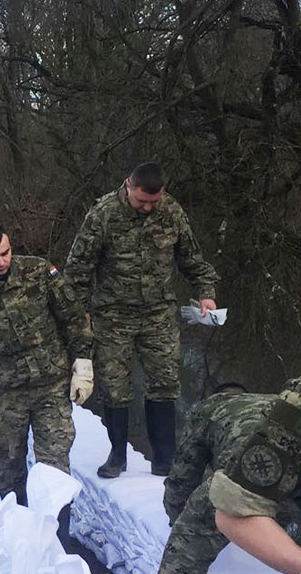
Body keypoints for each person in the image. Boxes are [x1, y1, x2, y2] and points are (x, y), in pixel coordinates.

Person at [132, 378, 301, 574]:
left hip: (243, 473)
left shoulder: (208, 408)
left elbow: (183, 473)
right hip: (288, 466)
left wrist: (177, 518)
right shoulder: (279, 401)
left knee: (190, 540)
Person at [64, 162, 220, 478]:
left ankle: (164, 458)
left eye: (154, 201)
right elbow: (78, 269)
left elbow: (192, 259)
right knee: (115, 386)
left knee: (164, 383)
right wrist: (76, 311)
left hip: (158, 313)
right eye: (141, 201)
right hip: (113, 315)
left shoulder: (172, 212)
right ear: (128, 186)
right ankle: (117, 455)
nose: (148, 208)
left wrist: (206, 293)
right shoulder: (103, 215)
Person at [0, 221, 93, 519]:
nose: (2, 261)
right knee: (5, 468)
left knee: (54, 472)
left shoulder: (39, 273)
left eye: (6, 253)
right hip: (9, 394)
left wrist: (83, 364)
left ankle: (56, 547)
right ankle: (14, 538)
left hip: (52, 388)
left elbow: (74, 318)